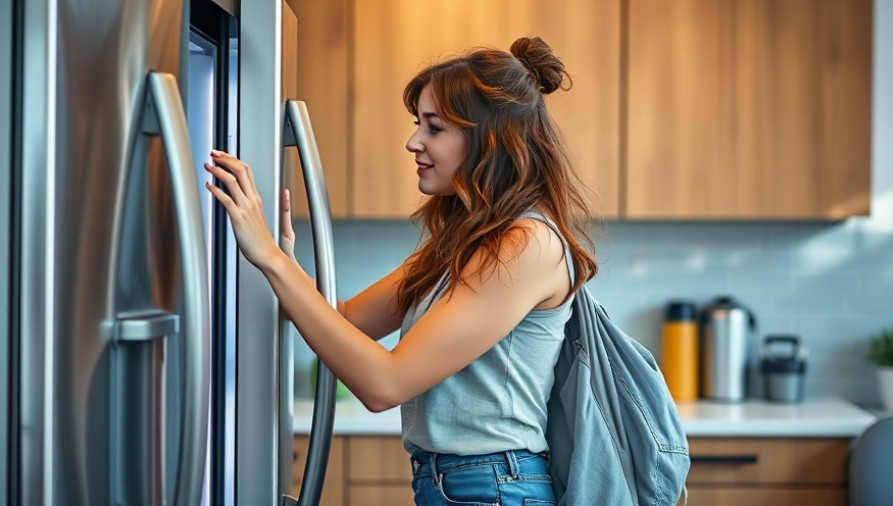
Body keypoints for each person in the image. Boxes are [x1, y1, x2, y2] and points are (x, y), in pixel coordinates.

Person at [205, 36, 598, 505]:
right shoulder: (463, 240)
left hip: (494, 487)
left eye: (434, 128)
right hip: (459, 485)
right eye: (419, 124)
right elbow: (346, 318)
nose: (413, 142)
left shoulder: (526, 245)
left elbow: (383, 385)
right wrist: (283, 265)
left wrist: (268, 258)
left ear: (489, 138)